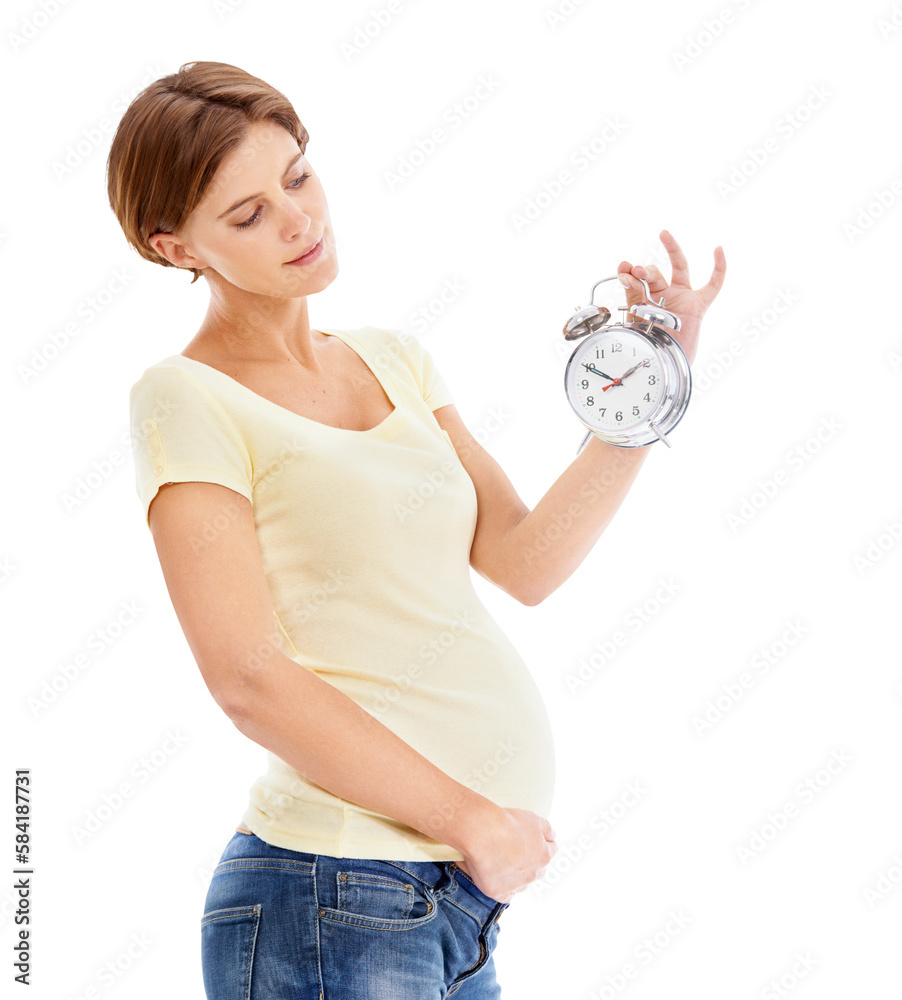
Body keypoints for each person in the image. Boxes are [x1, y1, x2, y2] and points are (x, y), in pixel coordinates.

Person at [108, 60, 725, 1000]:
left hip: (449, 905)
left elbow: (526, 561)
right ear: (173, 245)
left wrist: (649, 381)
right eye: (246, 216)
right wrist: (470, 815)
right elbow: (244, 676)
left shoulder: (394, 360)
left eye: (298, 176)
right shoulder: (185, 397)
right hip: (327, 893)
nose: (299, 220)